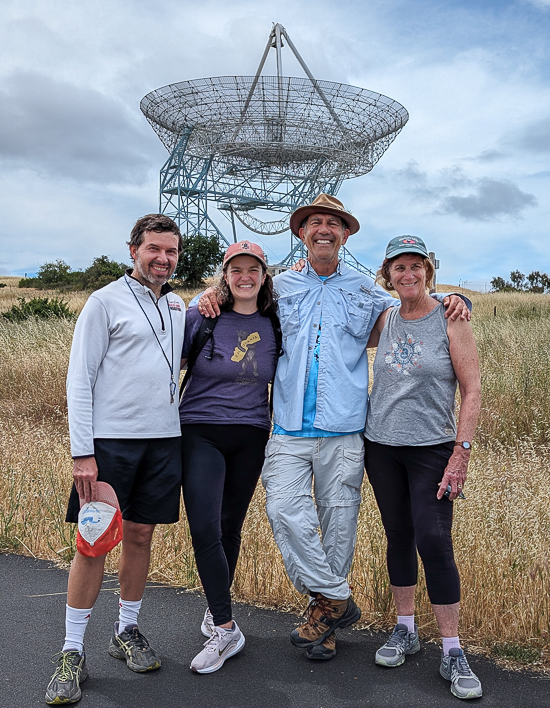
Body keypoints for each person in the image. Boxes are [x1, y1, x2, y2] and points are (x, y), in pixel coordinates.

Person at [198, 193, 470, 661]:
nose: (323, 229)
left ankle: (322, 623)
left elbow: (411, 301)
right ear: (301, 233)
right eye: (314, 222)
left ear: (345, 235)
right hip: (287, 427)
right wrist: (212, 292)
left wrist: (452, 298)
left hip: (344, 429)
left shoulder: (366, 290)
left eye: (333, 223)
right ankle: (336, 598)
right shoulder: (278, 288)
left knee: (338, 527)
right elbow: (238, 294)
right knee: (284, 511)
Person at [45, 214, 186, 706]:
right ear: (133, 250)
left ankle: (125, 630)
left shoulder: (177, 304)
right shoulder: (104, 303)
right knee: (92, 542)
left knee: (141, 535)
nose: (162, 259)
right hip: (110, 446)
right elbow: (78, 379)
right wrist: (82, 452)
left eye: (171, 251)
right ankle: (71, 651)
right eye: (154, 249)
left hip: (164, 441)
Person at [363, 234, 482, 699]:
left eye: (416, 266)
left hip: (433, 448)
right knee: (399, 536)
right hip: (382, 446)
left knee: (433, 540)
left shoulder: (452, 319)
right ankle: (405, 628)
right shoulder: (385, 318)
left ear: (428, 271)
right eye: (399, 268)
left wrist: (461, 451)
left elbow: (471, 390)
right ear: (387, 275)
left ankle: (452, 649)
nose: (408, 275)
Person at [180, 240, 280, 673]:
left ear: (263, 275)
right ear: (225, 275)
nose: (244, 277)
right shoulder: (201, 316)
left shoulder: (277, 320)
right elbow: (166, 362)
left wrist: (452, 298)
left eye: (252, 270)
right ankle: (225, 627)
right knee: (204, 525)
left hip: (251, 433)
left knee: (228, 528)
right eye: (235, 270)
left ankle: (214, 608)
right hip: (200, 429)